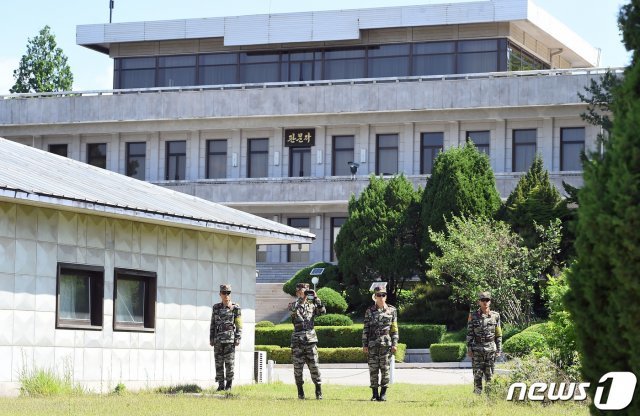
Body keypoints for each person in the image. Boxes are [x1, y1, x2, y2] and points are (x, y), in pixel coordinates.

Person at [288, 282, 326, 400]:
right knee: (298, 368)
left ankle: (318, 392)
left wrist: (316, 298)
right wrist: (302, 299)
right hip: (297, 341)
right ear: (297, 292)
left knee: (314, 366)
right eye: (300, 291)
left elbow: (323, 312)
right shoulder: (293, 305)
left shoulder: (312, 305)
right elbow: (294, 312)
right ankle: (300, 392)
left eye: (305, 291)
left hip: (310, 340)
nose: (302, 293)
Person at [362, 284, 398, 402]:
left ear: (386, 297)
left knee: (385, 369)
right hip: (372, 344)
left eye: (383, 295)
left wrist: (395, 343)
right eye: (379, 295)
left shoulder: (392, 310)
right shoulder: (369, 311)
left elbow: (394, 329)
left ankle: (383, 394)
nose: (381, 297)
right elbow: (366, 328)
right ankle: (374, 394)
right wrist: (365, 344)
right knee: (373, 369)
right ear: (375, 296)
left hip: (386, 344)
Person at [466, 291, 502, 394]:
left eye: (487, 300)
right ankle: (477, 395)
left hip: (490, 349)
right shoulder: (473, 315)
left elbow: (498, 334)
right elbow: (469, 333)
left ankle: (490, 396)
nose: (485, 302)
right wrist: (469, 349)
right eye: (483, 300)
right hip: (477, 349)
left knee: (490, 374)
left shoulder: (495, 316)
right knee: (477, 374)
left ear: (490, 302)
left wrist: (499, 349)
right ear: (479, 302)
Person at [210, 284, 242, 392]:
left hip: (229, 340)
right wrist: (211, 338)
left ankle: (228, 385)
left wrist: (238, 337)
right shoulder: (216, 308)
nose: (226, 295)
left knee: (230, 364)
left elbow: (239, 324)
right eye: (224, 293)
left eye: (228, 293)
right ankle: (220, 385)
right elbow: (213, 324)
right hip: (218, 340)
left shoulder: (235, 307)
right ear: (220, 294)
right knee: (218, 364)